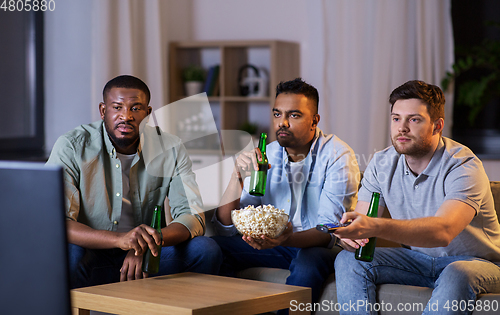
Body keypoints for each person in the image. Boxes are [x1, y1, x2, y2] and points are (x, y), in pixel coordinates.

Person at [334, 80, 500, 314]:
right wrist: (351, 236)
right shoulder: (381, 163)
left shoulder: (463, 164)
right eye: (396, 118)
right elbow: (363, 220)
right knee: (348, 261)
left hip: (479, 264)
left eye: (414, 119)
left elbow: (443, 231)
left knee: (457, 272)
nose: (401, 128)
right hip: (419, 261)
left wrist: (374, 227)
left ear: (437, 125)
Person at [47, 75, 222, 288]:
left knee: (206, 250)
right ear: (103, 111)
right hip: (92, 256)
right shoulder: (72, 147)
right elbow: (57, 222)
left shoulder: (171, 147)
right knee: (67, 254)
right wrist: (120, 240)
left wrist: (145, 245)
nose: (126, 116)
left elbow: (192, 217)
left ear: (148, 114)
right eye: (117, 107)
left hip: (148, 258)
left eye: (136, 108)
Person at [212, 78, 360, 308]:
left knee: (307, 262)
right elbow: (228, 225)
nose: (282, 123)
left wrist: (285, 239)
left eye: (294, 115)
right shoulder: (267, 154)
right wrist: (236, 177)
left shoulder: (337, 155)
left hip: (320, 248)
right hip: (279, 246)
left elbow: (329, 230)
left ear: (314, 121)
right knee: (212, 248)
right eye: (277, 114)